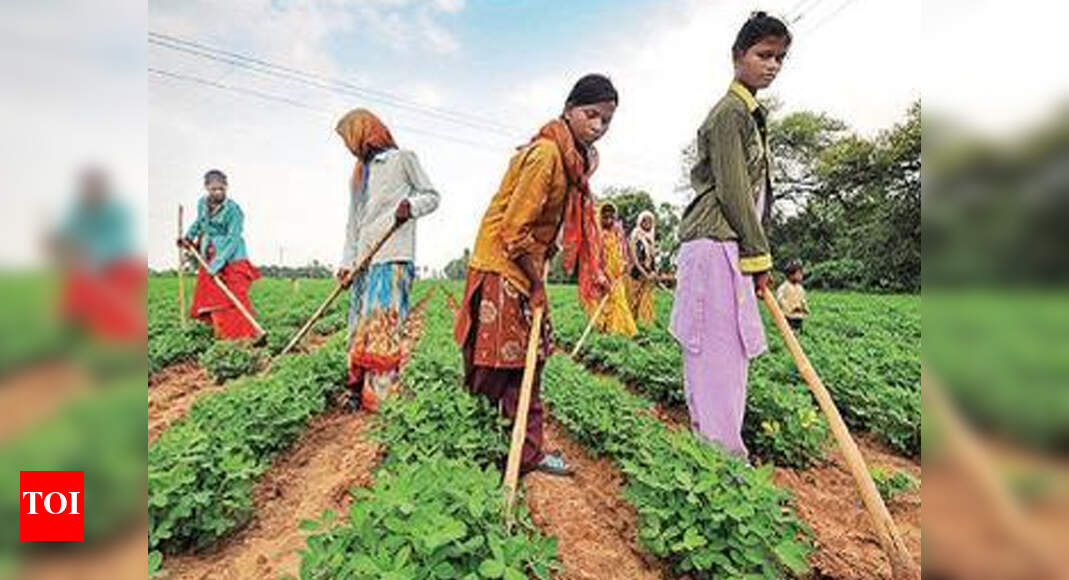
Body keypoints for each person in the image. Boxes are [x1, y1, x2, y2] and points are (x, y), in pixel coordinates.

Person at [454, 74, 616, 477]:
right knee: (499, 365)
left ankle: (524, 452)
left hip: (521, 264)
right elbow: (514, 231)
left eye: (606, 120)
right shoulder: (546, 154)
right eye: (591, 114)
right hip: (503, 265)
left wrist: (543, 260)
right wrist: (537, 284)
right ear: (569, 110)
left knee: (527, 361)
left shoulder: (571, 160)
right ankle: (483, 448)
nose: (598, 126)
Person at [670, 11, 791, 459]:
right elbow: (734, 190)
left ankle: (721, 454)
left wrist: (754, 252)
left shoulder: (750, 113)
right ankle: (721, 460)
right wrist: (759, 255)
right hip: (716, 242)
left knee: (731, 354)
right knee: (716, 358)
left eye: (779, 58)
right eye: (763, 54)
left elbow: (755, 196)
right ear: (738, 56)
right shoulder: (729, 113)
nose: (772, 65)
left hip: (732, 243)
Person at [335, 108, 440, 412]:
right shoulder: (359, 175)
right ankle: (355, 390)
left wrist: (410, 206)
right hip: (364, 260)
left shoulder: (402, 159)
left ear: (364, 134)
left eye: (349, 139)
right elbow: (354, 222)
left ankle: (379, 396)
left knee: (383, 327)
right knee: (360, 327)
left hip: (392, 254)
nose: (349, 147)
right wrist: (347, 262)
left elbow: (432, 196)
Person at [54, 166, 145, 343]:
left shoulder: (118, 211)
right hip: (85, 266)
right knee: (75, 291)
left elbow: (117, 241)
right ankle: (78, 324)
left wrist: (90, 254)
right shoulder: (77, 211)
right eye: (88, 187)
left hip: (118, 264)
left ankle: (115, 329)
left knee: (114, 313)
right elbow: (67, 234)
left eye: (96, 186)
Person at [179, 169, 262, 341]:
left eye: (221, 189)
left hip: (232, 257)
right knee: (213, 298)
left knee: (235, 297)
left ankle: (245, 337)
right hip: (209, 254)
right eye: (214, 189)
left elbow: (233, 238)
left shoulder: (234, 210)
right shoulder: (202, 204)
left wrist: (218, 264)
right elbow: (199, 223)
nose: (218, 192)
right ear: (206, 188)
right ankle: (222, 337)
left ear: (226, 187)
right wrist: (188, 237)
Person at [582, 202, 637, 336]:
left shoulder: (617, 233)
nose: (609, 220)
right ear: (599, 217)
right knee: (602, 303)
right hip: (601, 275)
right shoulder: (595, 235)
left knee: (617, 302)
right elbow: (593, 257)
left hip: (616, 275)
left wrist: (624, 263)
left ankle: (617, 331)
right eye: (605, 217)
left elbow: (621, 251)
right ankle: (604, 330)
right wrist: (600, 275)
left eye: (611, 217)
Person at [627, 210, 658, 326]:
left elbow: (652, 258)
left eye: (650, 221)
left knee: (646, 301)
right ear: (640, 222)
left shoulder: (651, 238)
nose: (647, 224)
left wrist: (653, 272)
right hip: (636, 273)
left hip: (648, 275)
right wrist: (644, 273)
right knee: (633, 300)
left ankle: (645, 325)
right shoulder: (635, 236)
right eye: (645, 221)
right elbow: (634, 258)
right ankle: (631, 324)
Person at [776, 260, 809, 332]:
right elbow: (780, 299)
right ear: (790, 275)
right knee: (789, 331)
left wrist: (805, 307)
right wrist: (787, 307)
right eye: (798, 274)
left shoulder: (800, 288)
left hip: (799, 315)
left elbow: (802, 299)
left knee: (797, 330)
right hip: (788, 315)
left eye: (801, 274)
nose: (801, 276)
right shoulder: (784, 286)